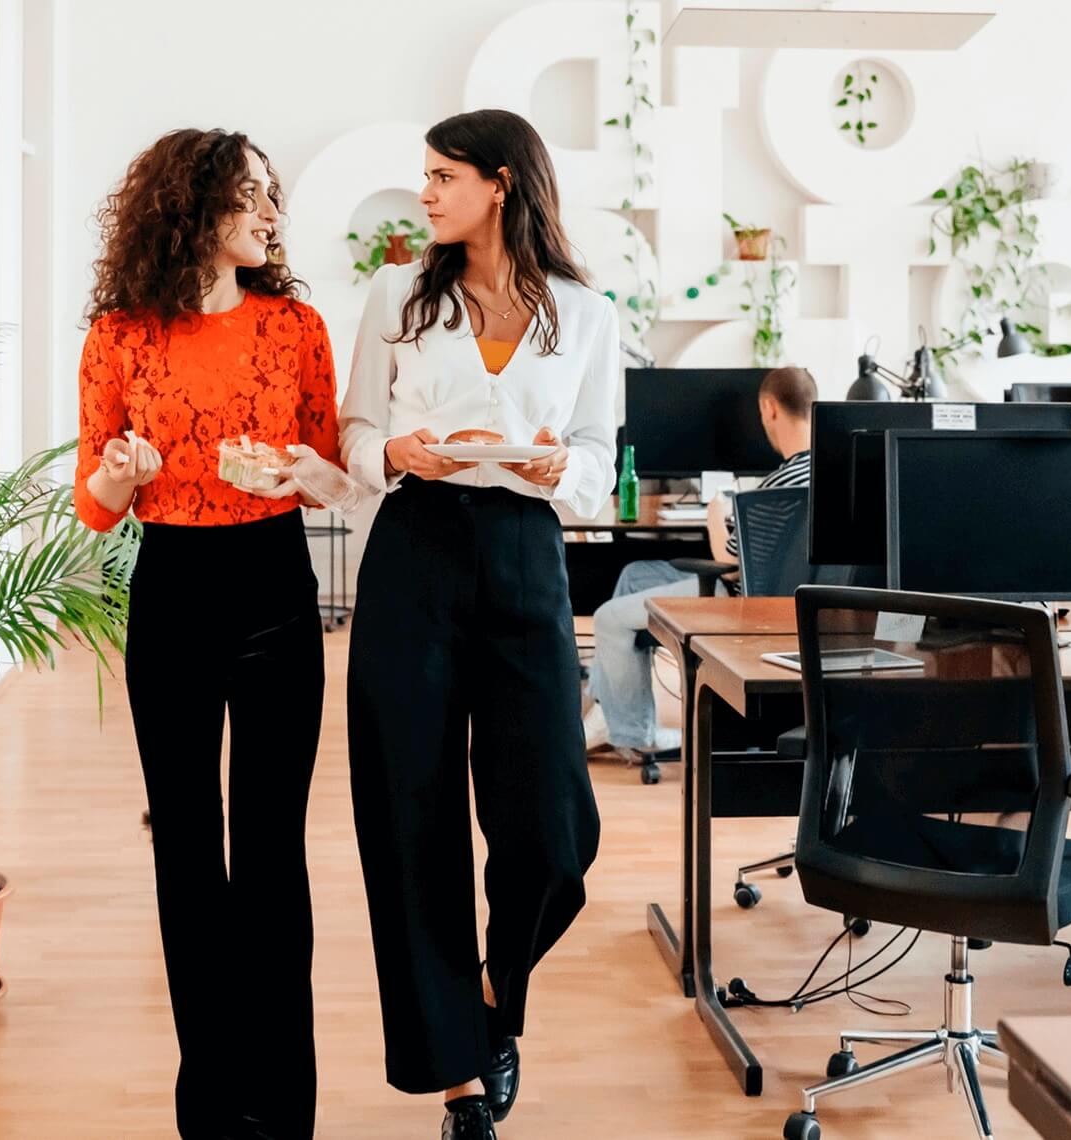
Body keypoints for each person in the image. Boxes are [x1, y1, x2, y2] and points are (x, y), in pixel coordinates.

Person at [337, 109, 611, 1140]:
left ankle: (495, 1000)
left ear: (501, 183)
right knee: (411, 819)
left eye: (444, 177)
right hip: (414, 551)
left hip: (525, 554)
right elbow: (356, 431)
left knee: (553, 830)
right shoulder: (396, 294)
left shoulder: (585, 313)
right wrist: (399, 455)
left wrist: (563, 472)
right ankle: (457, 1077)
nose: (428, 193)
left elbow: (594, 454)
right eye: (424, 176)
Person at [73, 129, 338, 1139]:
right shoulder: (119, 336)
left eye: (273, 196)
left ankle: (285, 1108)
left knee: (271, 853)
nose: (271, 215)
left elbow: (329, 465)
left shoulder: (297, 326)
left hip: (275, 583)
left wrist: (293, 474)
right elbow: (92, 504)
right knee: (187, 850)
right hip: (173, 592)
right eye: (251, 195)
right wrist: (120, 477)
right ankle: (211, 1104)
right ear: (191, 209)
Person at [582, 365, 816, 757]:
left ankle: (637, 736)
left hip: (741, 600)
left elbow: (732, 561)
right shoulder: (823, 472)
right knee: (634, 574)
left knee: (607, 617)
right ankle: (614, 711)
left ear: (769, 408)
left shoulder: (778, 484)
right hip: (791, 600)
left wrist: (714, 516)